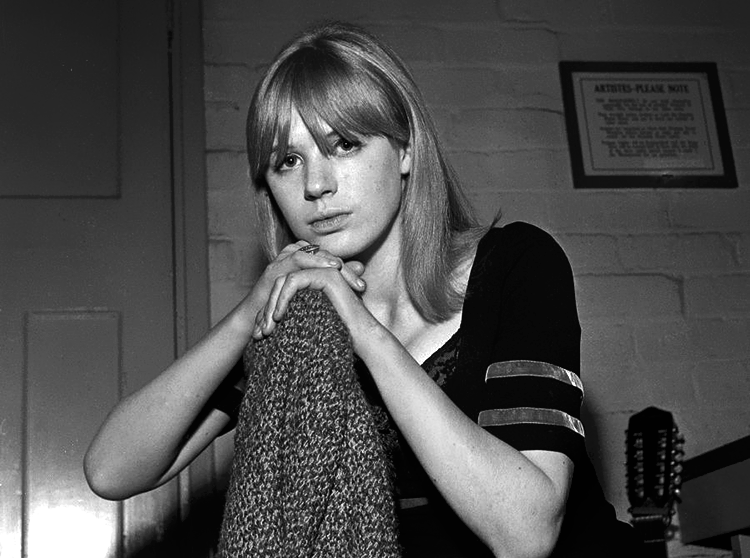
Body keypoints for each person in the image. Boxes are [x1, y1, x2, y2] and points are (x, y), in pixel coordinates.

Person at [85, 21, 642, 558]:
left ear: (404, 150)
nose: (316, 185)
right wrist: (248, 314)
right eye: (288, 161)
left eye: (344, 144)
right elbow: (112, 470)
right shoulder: (297, 323)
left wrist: (366, 333)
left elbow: (524, 534)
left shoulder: (515, 265)